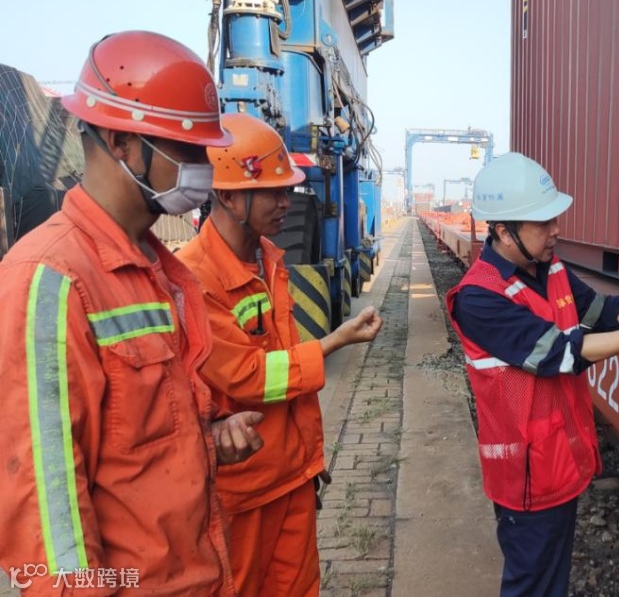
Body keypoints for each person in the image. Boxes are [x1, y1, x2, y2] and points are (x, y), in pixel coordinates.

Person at [0, 31, 265, 595]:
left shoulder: (155, 269)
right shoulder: (52, 279)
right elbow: (48, 523)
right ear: (122, 142)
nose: (203, 169)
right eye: (187, 151)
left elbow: (135, 441)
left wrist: (208, 437)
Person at [447, 152, 619, 597]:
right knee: (532, 585)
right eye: (543, 222)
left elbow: (601, 312)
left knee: (550, 582)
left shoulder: (550, 269)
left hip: (560, 463)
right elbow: (561, 354)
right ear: (503, 231)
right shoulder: (479, 298)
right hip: (526, 478)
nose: (556, 230)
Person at [176, 113, 384, 597]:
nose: (286, 202)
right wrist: (336, 340)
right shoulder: (195, 278)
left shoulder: (269, 259)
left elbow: (283, 362)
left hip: (292, 477)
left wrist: (309, 460)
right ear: (227, 196)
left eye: (287, 189)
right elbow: (249, 377)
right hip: (242, 492)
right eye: (271, 192)